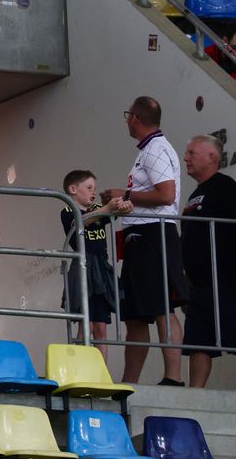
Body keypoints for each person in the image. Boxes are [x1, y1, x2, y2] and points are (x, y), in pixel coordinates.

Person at [102, 96, 188, 385]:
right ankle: (130, 381)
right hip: (141, 238)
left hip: (153, 235)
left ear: (135, 118)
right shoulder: (150, 150)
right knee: (136, 315)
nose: (127, 120)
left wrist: (124, 195)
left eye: (128, 115)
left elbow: (166, 195)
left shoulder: (155, 150)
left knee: (162, 307)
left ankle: (173, 378)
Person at [179, 135, 236, 387]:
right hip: (199, 284)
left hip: (226, 279)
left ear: (211, 156)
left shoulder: (226, 188)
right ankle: (195, 395)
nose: (186, 158)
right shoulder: (195, 194)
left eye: (192, 153)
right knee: (197, 341)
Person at [60, 169, 131, 359]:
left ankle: (102, 375)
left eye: (94, 188)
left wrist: (123, 206)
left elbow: (112, 211)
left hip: (101, 267)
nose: (93, 192)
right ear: (73, 189)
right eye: (89, 187)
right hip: (84, 268)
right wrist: (105, 210)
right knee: (86, 324)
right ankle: (82, 369)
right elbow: (80, 223)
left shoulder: (97, 209)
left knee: (100, 327)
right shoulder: (68, 210)